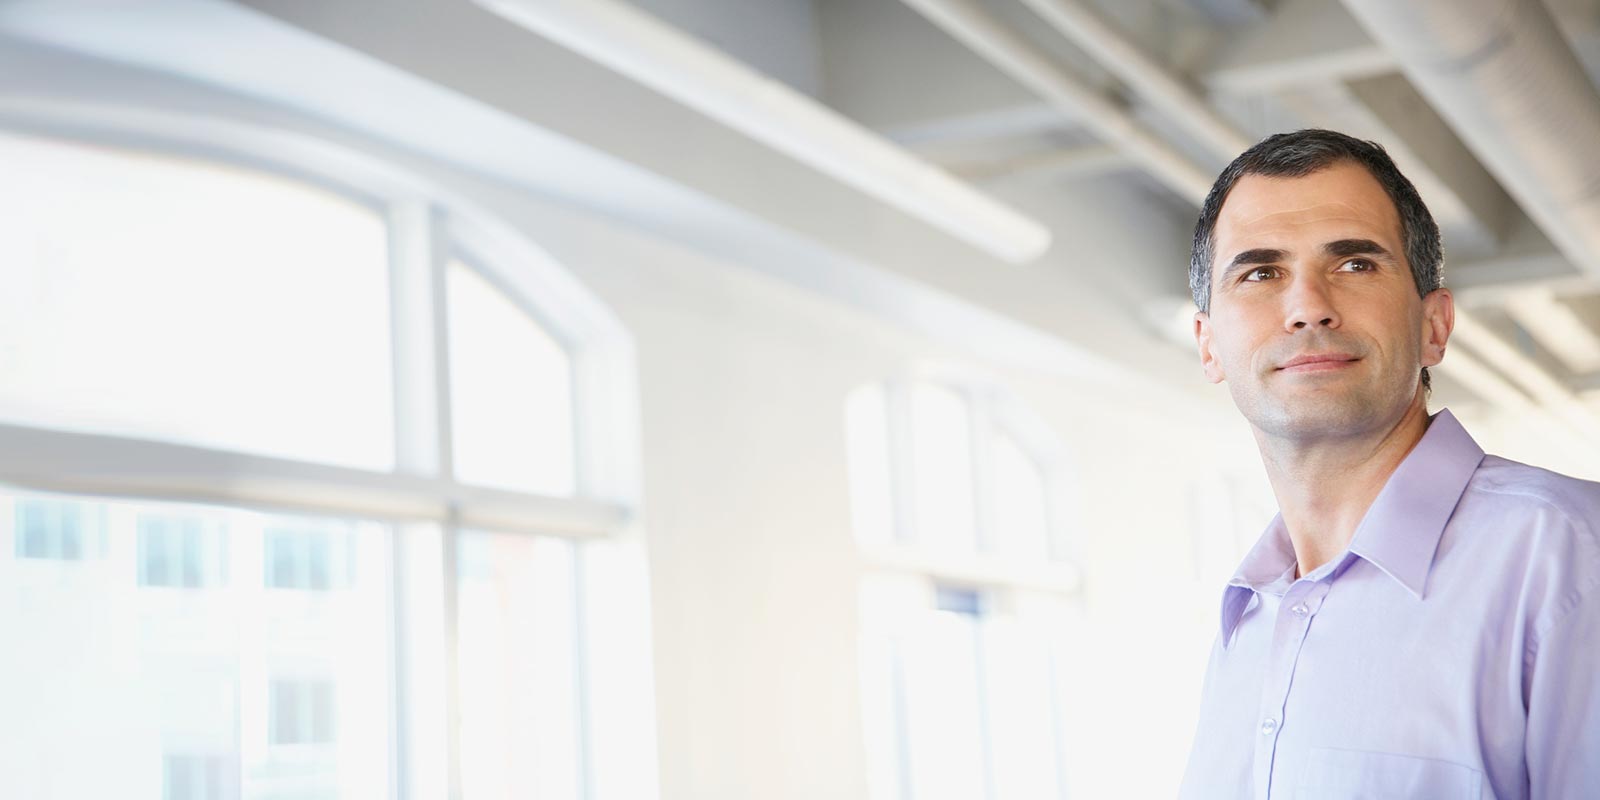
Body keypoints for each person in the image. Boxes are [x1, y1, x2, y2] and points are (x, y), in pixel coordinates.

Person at [1177, 129, 1600, 798]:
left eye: (1354, 264)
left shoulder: (1569, 557)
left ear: (1433, 326)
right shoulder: (1250, 617)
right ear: (1209, 347)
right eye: (1261, 272)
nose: (1308, 306)